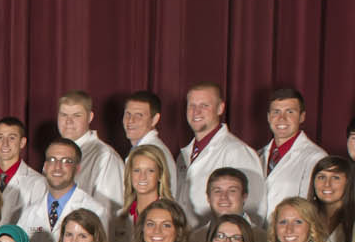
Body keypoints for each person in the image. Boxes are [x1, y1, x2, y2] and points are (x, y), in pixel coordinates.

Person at [176, 82, 264, 227]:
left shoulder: (238, 152)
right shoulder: (183, 155)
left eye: (204, 105)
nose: (196, 112)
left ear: (220, 108)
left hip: (219, 238)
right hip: (187, 237)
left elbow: (253, 210)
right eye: (192, 106)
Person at [17, 137, 108, 242]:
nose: (57, 166)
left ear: (77, 168)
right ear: (45, 166)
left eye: (66, 161)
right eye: (52, 160)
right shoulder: (29, 214)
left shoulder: (96, 211)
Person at [258, 88, 327, 221]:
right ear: (268, 117)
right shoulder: (258, 155)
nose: (282, 118)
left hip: (290, 230)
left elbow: (308, 207)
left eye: (290, 112)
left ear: (302, 117)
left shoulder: (316, 157)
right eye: (276, 112)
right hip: (255, 231)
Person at [57, 91, 124, 217]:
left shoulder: (105, 157)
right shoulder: (55, 155)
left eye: (76, 115)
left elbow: (109, 214)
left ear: (90, 117)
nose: (68, 121)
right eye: (64, 115)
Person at [115, 143, 172, 242]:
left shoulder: (171, 215)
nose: (142, 177)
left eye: (150, 171)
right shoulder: (120, 217)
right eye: (137, 170)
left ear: (160, 175)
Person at [0, 117, 48, 228]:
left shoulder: (38, 183)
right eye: (0, 137)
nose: (5, 143)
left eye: (12, 138)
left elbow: (39, 228)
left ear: (22, 142)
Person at [122, 90, 178, 189]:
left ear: (154, 120)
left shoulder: (154, 153)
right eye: (128, 114)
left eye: (139, 115)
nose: (130, 120)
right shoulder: (141, 148)